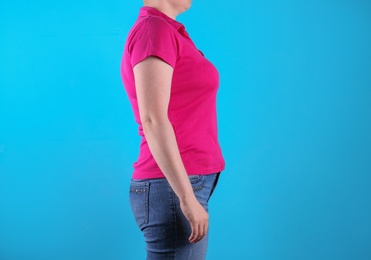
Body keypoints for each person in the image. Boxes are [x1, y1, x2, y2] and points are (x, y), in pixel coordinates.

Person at [120, 0, 225, 259]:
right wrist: (187, 198)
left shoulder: (166, 31)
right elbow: (153, 118)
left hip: (178, 184)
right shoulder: (153, 30)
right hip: (173, 186)